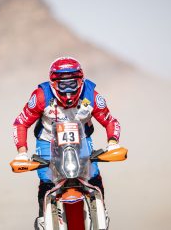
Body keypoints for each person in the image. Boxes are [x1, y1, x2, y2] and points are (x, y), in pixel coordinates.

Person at [12, 57, 121, 227]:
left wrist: (113, 143)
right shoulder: (41, 96)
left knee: (92, 175)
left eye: (73, 83)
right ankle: (43, 217)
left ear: (81, 81)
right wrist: (22, 153)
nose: (68, 90)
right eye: (63, 84)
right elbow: (21, 123)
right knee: (47, 180)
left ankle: (101, 210)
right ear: (53, 84)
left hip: (82, 138)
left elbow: (110, 121)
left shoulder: (91, 95)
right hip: (47, 140)